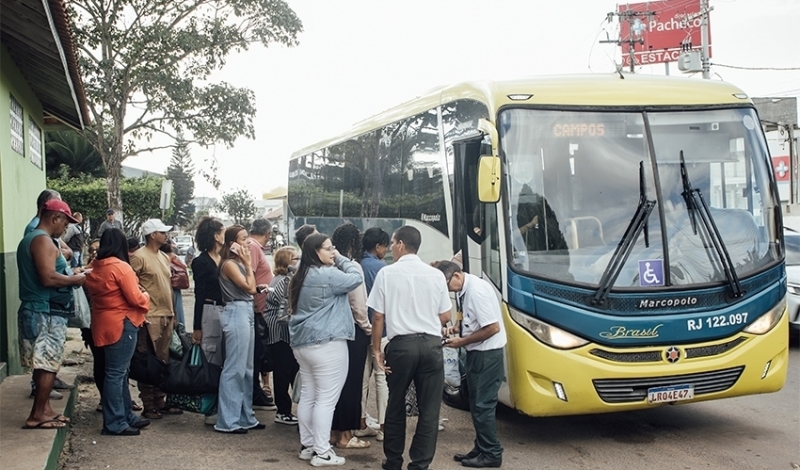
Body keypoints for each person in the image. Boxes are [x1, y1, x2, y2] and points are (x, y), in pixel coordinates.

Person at [366, 226, 452, 470]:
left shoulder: (386, 274)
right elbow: (445, 315)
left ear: (401, 244)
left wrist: (377, 351)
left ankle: (393, 460)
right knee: (430, 408)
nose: (391, 247)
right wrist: (425, 325)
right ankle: (420, 463)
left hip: (401, 346)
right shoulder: (435, 275)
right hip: (431, 345)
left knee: (395, 404)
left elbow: (378, 317)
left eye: (393, 243)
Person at [289, 233, 363, 466]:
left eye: (334, 248)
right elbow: (356, 277)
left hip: (303, 344)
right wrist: (341, 258)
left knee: (309, 396)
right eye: (329, 248)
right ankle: (322, 451)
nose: (333, 252)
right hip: (327, 343)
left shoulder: (301, 274)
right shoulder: (328, 274)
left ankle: (308, 445)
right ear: (315, 252)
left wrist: (334, 256)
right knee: (326, 400)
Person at [17, 199, 86, 429]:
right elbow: (48, 278)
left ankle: (44, 408)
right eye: (65, 222)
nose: (66, 228)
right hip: (45, 311)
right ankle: (37, 414)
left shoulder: (35, 238)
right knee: (47, 364)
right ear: (55, 217)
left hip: (40, 309)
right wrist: (75, 279)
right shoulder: (42, 240)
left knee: (43, 363)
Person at [436, 261, 507, 468]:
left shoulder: (477, 291)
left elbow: (492, 327)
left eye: (448, 285)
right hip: (477, 353)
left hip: (486, 354)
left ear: (457, 276)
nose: (447, 290)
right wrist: (457, 328)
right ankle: (482, 447)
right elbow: (468, 317)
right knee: (476, 403)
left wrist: (462, 341)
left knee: (482, 406)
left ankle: (492, 453)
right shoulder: (464, 290)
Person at [84, 228, 152, 436]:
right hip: (122, 323)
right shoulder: (121, 267)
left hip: (102, 322)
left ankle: (125, 415)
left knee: (117, 372)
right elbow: (135, 298)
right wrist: (146, 295)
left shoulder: (93, 267)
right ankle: (115, 422)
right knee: (116, 374)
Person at [215, 225, 265, 434]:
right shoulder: (229, 264)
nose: (247, 242)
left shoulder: (236, 263)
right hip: (236, 311)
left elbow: (251, 287)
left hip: (244, 311)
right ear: (231, 243)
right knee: (234, 367)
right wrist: (246, 262)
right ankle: (228, 420)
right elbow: (250, 288)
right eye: (243, 239)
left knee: (246, 368)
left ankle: (245, 416)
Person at [130, 218, 181, 420]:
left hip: (166, 314)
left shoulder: (162, 256)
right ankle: (149, 403)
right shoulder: (139, 257)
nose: (165, 235)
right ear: (153, 235)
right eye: (162, 232)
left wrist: (174, 313)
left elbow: (168, 286)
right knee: (148, 360)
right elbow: (133, 285)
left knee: (163, 359)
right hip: (149, 315)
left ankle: (160, 400)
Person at [330, 223, 372, 450]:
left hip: (333, 332)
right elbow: (359, 306)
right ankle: (346, 435)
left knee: (335, 384)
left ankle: (334, 433)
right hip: (353, 332)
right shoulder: (352, 267)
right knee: (352, 384)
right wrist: (368, 330)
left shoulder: (328, 265)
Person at [354, 227, 391, 441]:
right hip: (381, 328)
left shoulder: (357, 264)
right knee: (381, 376)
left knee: (362, 378)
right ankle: (384, 427)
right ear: (378, 246)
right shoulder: (381, 268)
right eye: (385, 246)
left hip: (360, 328)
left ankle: (360, 423)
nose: (385, 250)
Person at [190, 216, 226, 425]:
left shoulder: (225, 258)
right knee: (211, 357)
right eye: (222, 231)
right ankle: (210, 407)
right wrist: (197, 326)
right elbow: (199, 295)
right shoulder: (201, 261)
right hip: (210, 309)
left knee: (225, 357)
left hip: (227, 309)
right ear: (215, 235)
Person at [263, 246, 300, 425]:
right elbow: (286, 305)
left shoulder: (281, 280)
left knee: (288, 370)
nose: (299, 261)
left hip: (282, 334)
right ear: (287, 263)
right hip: (279, 334)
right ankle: (283, 411)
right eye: (295, 259)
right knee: (283, 372)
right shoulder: (283, 282)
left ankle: (286, 408)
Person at [247, 218, 276, 411]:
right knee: (258, 353)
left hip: (259, 308)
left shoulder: (255, 247)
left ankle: (257, 390)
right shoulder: (253, 247)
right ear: (267, 233)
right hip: (258, 308)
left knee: (259, 352)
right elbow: (250, 275)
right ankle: (255, 392)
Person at [160, 239, 188, 327]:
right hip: (176, 288)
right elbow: (185, 268)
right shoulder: (175, 258)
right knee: (178, 312)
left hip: (164, 288)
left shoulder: (160, 258)